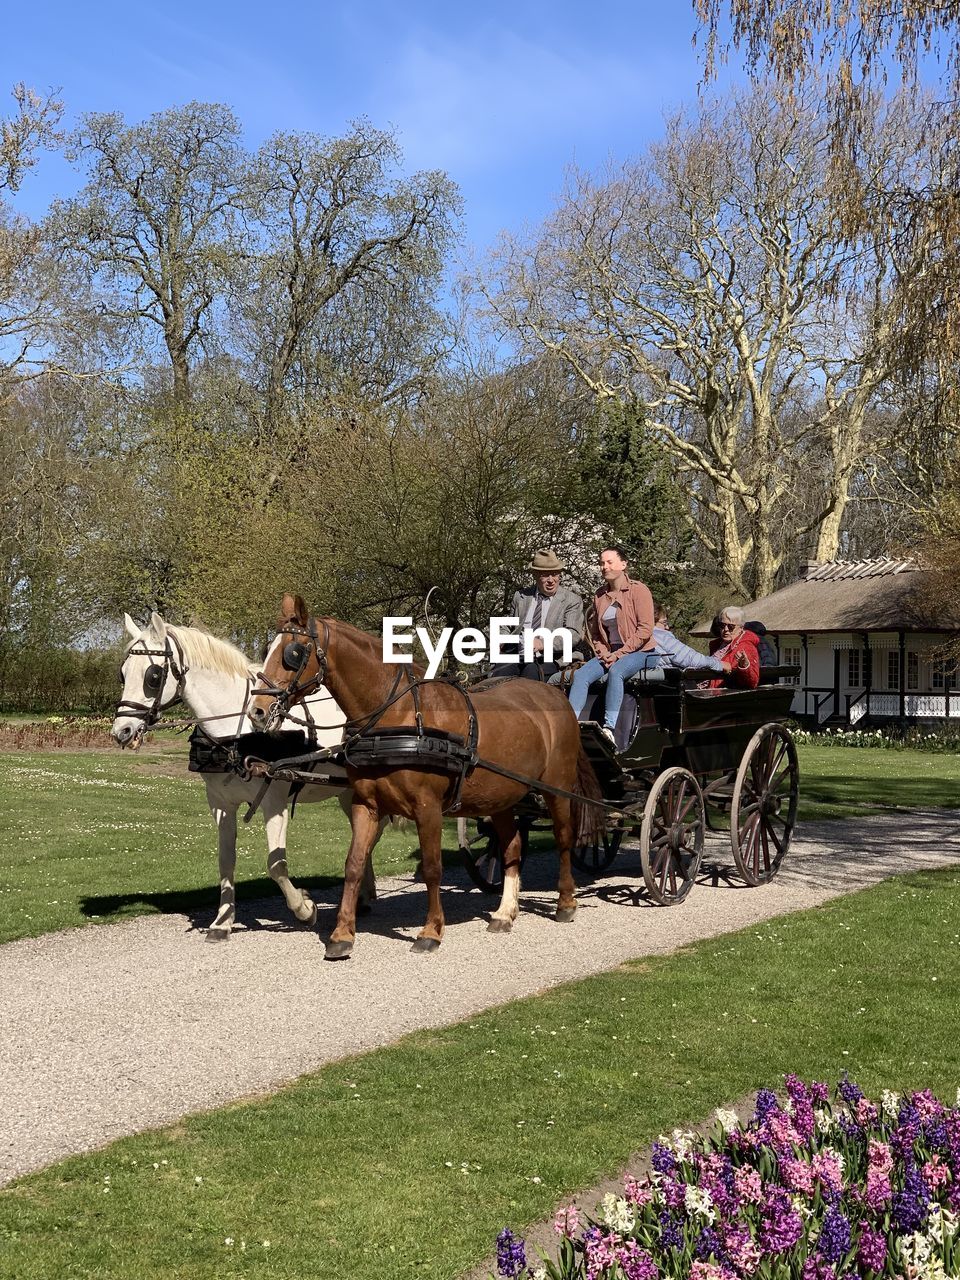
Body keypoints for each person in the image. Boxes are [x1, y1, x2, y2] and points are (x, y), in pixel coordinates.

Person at [567, 546, 660, 746]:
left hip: (641, 651)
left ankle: (609, 728)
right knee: (582, 675)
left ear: (623, 564)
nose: (604, 566)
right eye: (601, 563)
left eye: (609, 562)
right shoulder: (600, 596)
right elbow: (595, 633)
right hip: (610, 651)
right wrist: (603, 652)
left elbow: (645, 630)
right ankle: (569, 724)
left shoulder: (639, 590)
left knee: (616, 672)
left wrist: (619, 654)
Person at [488, 549, 585, 680]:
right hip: (519, 653)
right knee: (498, 675)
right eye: (545, 575)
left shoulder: (571, 600)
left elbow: (573, 635)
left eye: (555, 574)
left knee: (530, 674)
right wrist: (503, 639)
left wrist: (541, 643)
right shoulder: (521, 597)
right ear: (535, 575)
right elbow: (509, 626)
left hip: (551, 657)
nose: (551, 580)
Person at [652, 604, 729, 675]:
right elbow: (690, 659)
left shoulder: (642, 637)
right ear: (652, 621)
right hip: (669, 683)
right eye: (664, 623)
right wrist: (719, 664)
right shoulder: (660, 635)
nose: (667, 627)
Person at [703, 606, 760, 689]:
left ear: (741, 628)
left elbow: (752, 682)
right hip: (709, 690)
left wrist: (745, 666)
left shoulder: (746, 646)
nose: (725, 629)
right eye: (722, 625)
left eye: (731, 627)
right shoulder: (717, 645)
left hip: (723, 696)